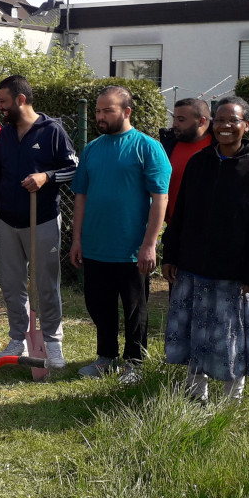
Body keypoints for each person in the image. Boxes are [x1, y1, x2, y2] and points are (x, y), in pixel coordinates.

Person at [162, 96, 249, 404]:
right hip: (193, 267)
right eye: (220, 120)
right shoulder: (200, 162)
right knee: (195, 333)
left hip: (233, 272)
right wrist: (170, 255)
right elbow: (181, 211)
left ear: (246, 125)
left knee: (230, 337)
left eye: (233, 120)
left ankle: (231, 400)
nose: (225, 126)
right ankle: (195, 393)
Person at [0, 75, 78, 370]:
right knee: (11, 284)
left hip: (42, 219)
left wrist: (46, 177)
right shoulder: (4, 135)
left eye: (3, 102)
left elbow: (73, 168)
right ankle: (18, 337)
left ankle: (52, 340)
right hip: (7, 220)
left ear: (21, 100)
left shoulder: (52, 131)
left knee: (45, 283)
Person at [70, 86, 171, 385]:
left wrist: (149, 244)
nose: (100, 116)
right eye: (98, 111)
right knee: (99, 305)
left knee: (134, 308)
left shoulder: (148, 147)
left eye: (107, 111)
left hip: (132, 249)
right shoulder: (92, 149)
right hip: (96, 245)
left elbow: (160, 198)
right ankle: (106, 358)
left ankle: (135, 363)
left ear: (127, 112)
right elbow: (81, 197)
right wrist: (77, 239)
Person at [160, 97, 213, 223]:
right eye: (175, 118)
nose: (174, 124)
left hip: (205, 226)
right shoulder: (169, 144)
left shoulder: (217, 148)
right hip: (173, 226)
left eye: (181, 120)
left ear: (201, 121)